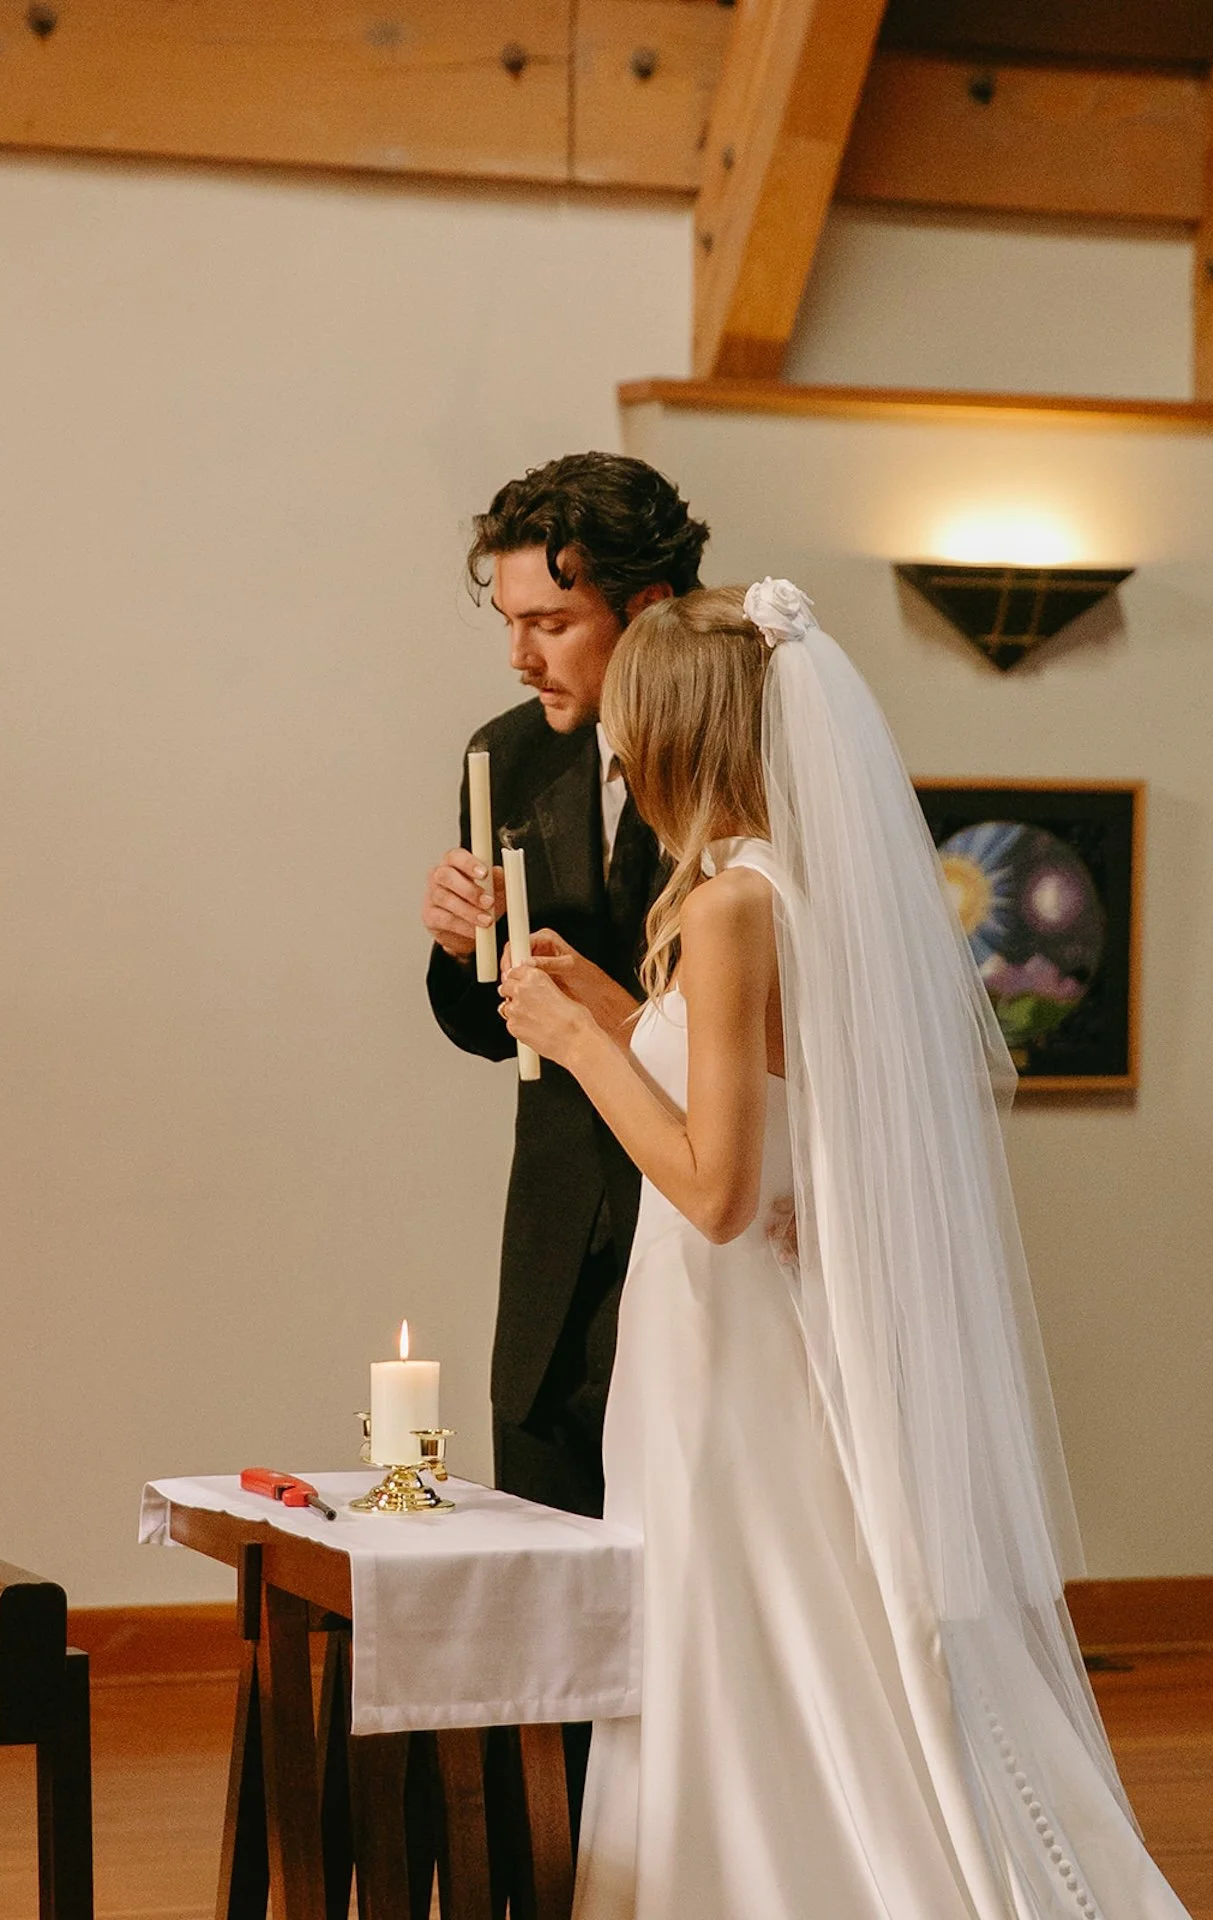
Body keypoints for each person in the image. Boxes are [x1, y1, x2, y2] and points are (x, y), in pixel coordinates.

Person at [499, 581, 1191, 1919]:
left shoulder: (727, 909)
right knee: (773, 1628)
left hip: (730, 1344)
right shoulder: (769, 891)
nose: (618, 754)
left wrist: (585, 1047)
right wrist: (615, 1007)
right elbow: (760, 1105)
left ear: (678, 735)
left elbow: (714, 1185)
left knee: (748, 1631)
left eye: (632, 727)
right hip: (728, 1332)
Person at [423, 451, 710, 1520]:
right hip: (555, 1238)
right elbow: (493, 1033)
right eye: (507, 622)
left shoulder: (746, 758)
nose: (517, 656)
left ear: (646, 606)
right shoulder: (504, 756)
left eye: (547, 622)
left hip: (698, 1211)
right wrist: (459, 951)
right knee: (545, 1579)